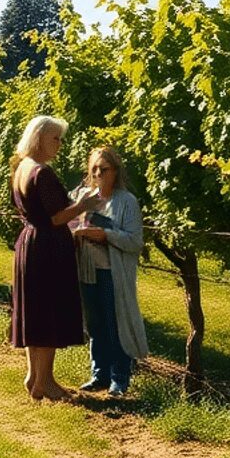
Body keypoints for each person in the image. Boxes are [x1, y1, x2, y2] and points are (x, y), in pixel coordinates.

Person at [9, 115, 104, 401]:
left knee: (35, 311)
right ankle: (45, 382)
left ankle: (33, 376)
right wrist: (84, 204)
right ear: (38, 138)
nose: (60, 144)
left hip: (30, 242)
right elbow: (56, 218)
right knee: (48, 311)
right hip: (47, 246)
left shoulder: (22, 168)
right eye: (55, 138)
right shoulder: (42, 172)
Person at [71, 146, 149, 395]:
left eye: (103, 169)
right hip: (87, 271)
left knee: (116, 323)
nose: (98, 174)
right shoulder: (83, 196)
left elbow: (135, 241)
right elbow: (69, 223)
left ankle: (119, 378)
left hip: (112, 273)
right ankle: (99, 374)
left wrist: (105, 235)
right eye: (94, 169)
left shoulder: (126, 202)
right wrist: (77, 233)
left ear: (115, 171)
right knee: (95, 325)